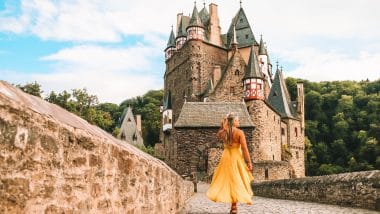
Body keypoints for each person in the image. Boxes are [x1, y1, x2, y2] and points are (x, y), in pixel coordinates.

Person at [206, 112, 254, 214]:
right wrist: (249, 162)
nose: (239, 121)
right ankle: (234, 206)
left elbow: (220, 131)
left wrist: (224, 123)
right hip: (236, 158)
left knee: (227, 180)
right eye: (237, 120)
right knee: (236, 180)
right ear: (234, 121)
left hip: (226, 157)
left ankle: (233, 206)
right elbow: (245, 149)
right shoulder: (240, 133)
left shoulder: (223, 133)